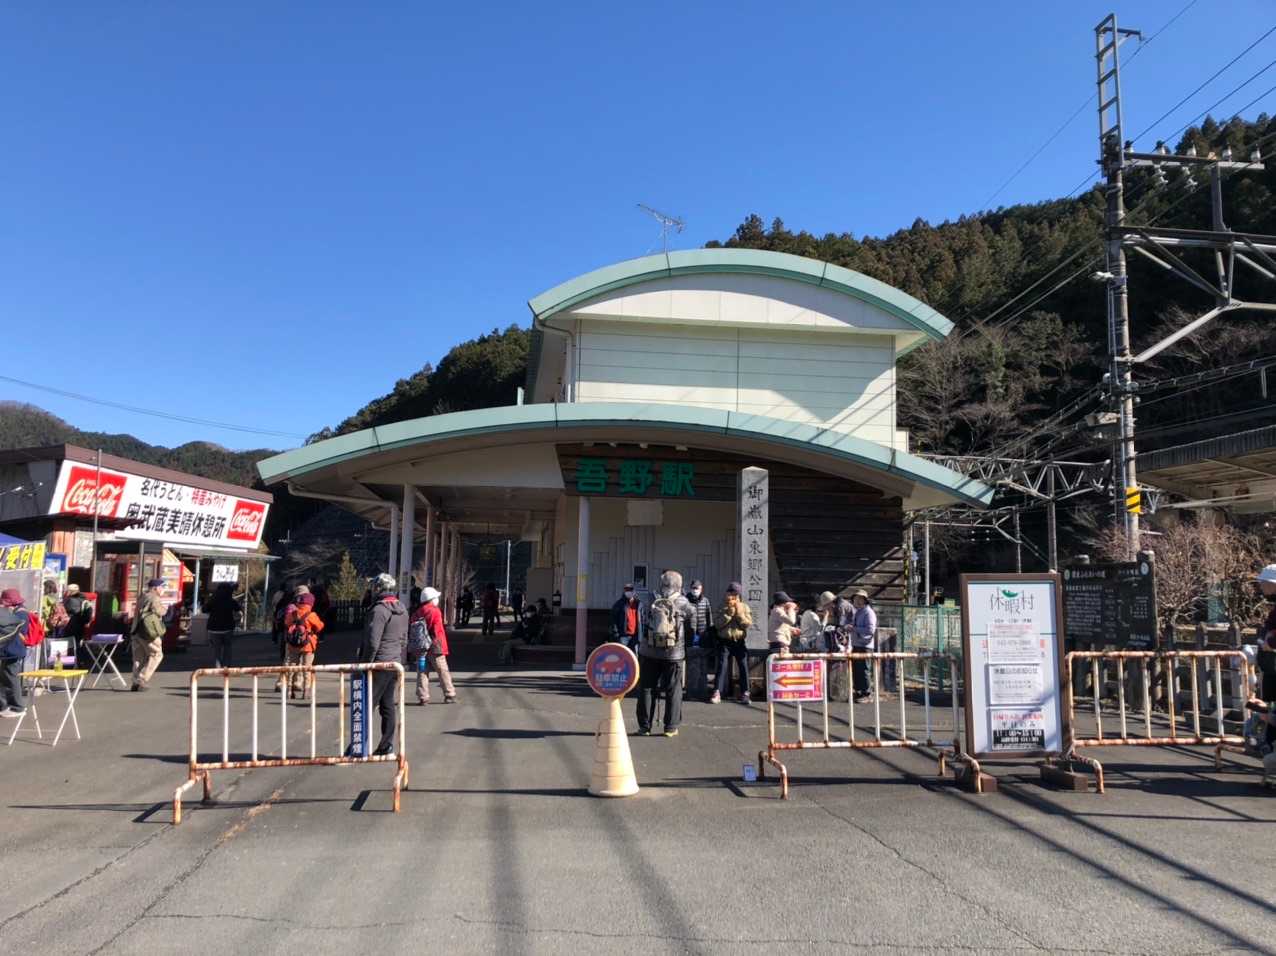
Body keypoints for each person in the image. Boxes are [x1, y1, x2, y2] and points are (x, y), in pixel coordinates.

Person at [635, 569, 692, 737]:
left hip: (648, 651)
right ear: (679, 585)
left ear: (661, 583)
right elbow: (692, 619)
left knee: (646, 688)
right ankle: (670, 727)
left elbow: (642, 620)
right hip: (673, 653)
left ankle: (644, 726)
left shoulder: (650, 599)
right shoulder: (683, 602)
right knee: (673, 689)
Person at [360, 573, 408, 755]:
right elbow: (404, 639)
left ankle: (359, 746)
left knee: (366, 705)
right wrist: (397, 655)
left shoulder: (379, 610)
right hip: (394, 663)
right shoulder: (402, 608)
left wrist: (365, 664)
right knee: (387, 705)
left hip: (379, 663)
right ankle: (385, 745)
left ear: (378, 588)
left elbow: (373, 642)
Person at [409, 586, 458, 704]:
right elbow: (434, 629)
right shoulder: (434, 611)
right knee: (442, 670)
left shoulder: (417, 612)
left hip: (421, 646)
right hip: (435, 645)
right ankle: (449, 694)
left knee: (422, 671)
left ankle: (423, 696)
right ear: (432, 598)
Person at [713, 582, 752, 704]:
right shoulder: (721, 606)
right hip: (724, 640)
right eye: (731, 592)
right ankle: (717, 691)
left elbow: (747, 624)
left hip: (739, 640)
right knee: (722, 665)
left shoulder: (744, 607)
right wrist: (728, 615)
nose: (733, 596)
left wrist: (739, 615)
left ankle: (745, 693)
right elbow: (717, 624)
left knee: (743, 665)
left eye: (735, 593)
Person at [283, 592, 324, 699]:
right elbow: (320, 626)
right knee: (307, 667)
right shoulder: (311, 615)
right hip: (308, 645)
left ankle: (289, 689)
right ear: (311, 603)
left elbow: (286, 623)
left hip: (293, 644)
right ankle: (306, 691)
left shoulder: (293, 613)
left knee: (292, 666)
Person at [130, 578, 167, 692]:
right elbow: (159, 611)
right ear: (155, 588)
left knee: (138, 658)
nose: (163, 589)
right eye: (162, 587)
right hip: (148, 633)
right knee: (157, 654)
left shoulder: (142, 596)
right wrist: (165, 609)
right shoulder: (154, 597)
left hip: (136, 631)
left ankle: (135, 682)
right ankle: (142, 679)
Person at [0, 588, 30, 717]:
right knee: (6, 678)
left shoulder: (20, 613)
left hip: (12, 650)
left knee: (12, 679)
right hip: (11, 650)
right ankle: (5, 706)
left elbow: (19, 631)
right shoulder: (18, 611)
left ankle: (18, 707)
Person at [684, 579, 714, 699]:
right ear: (690, 588)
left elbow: (709, 618)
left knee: (703, 666)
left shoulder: (705, 601)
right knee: (691, 666)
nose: (695, 590)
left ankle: (702, 691)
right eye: (693, 588)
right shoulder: (685, 601)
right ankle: (690, 691)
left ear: (701, 589)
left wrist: (710, 633)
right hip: (689, 635)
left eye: (697, 588)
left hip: (702, 636)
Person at [205, 582, 242, 669]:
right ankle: (226, 665)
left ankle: (218, 666)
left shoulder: (213, 600)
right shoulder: (231, 600)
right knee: (227, 646)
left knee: (216, 649)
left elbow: (204, 609)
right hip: (227, 628)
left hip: (213, 628)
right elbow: (238, 609)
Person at [850, 588, 878, 701]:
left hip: (865, 645)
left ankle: (867, 693)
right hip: (857, 644)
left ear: (865, 600)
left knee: (864, 670)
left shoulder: (869, 612)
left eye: (859, 599)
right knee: (857, 669)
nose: (857, 601)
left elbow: (870, 630)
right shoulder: (859, 612)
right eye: (855, 599)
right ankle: (859, 692)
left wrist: (854, 629)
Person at [610, 584, 644, 650]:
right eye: (626, 590)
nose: (628, 592)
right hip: (623, 636)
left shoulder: (639, 604)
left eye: (630, 590)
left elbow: (642, 620)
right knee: (623, 654)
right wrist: (616, 634)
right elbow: (613, 620)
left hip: (635, 636)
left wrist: (641, 635)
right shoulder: (619, 604)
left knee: (634, 655)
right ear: (624, 591)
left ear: (634, 591)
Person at [768, 592, 798, 658]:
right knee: (780, 662)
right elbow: (791, 621)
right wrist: (791, 609)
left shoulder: (777, 611)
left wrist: (792, 629)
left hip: (779, 644)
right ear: (783, 603)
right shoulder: (778, 611)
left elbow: (781, 625)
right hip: (779, 644)